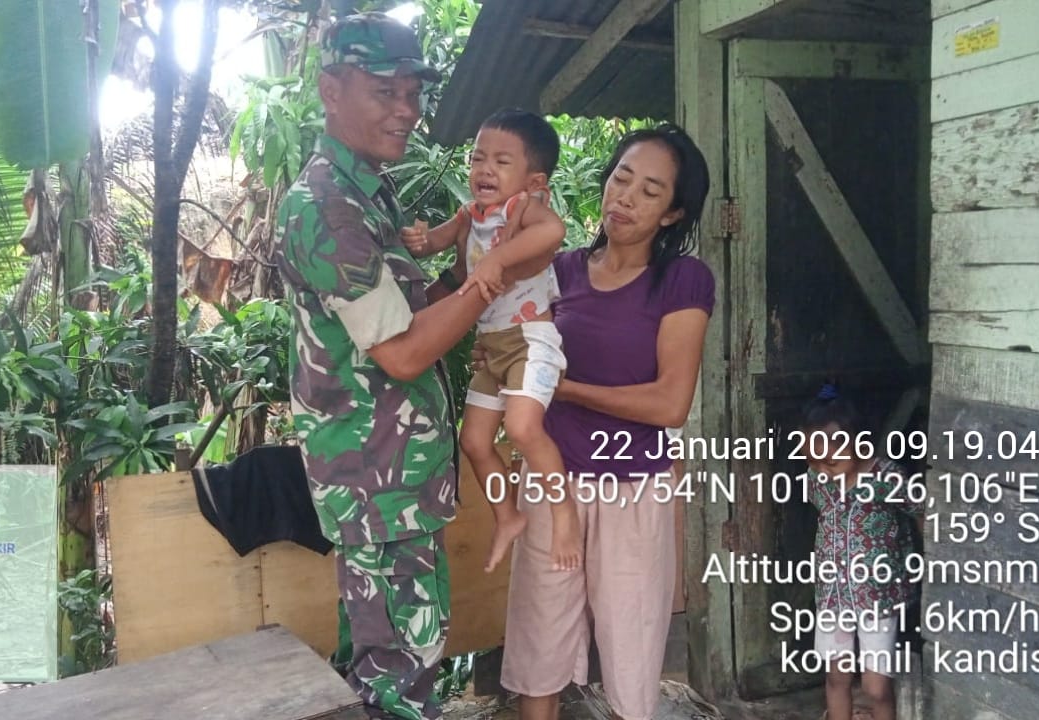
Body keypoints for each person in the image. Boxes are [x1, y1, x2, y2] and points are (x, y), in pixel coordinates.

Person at [273, 13, 532, 720]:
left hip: (395, 477)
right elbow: (406, 351)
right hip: (377, 484)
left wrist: (477, 269)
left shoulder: (366, 189)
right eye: (386, 91)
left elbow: (416, 316)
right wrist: (495, 274)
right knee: (399, 682)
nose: (407, 110)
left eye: (414, 93)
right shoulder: (328, 207)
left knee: (389, 669)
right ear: (331, 90)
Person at [494, 125, 716, 720]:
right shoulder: (559, 271)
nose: (626, 198)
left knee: (630, 653)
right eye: (622, 178)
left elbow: (670, 404)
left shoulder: (683, 280)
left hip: (632, 490)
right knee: (540, 647)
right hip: (553, 485)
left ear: (672, 213)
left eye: (650, 191)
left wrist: (564, 388)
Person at [402, 108, 581, 574]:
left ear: (534, 182)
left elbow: (554, 231)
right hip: (492, 348)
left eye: (502, 162)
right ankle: (507, 515)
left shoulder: (524, 209)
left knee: (522, 429)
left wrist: (497, 259)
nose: (485, 169)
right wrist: (419, 239)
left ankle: (565, 514)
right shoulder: (469, 214)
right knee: (475, 441)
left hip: (529, 342)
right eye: (478, 158)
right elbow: (436, 243)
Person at [797, 384, 923, 720]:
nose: (823, 469)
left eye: (831, 460)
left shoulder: (887, 478)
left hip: (878, 598)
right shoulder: (816, 479)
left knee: (875, 687)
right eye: (814, 460)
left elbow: (920, 511)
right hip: (833, 596)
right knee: (836, 678)